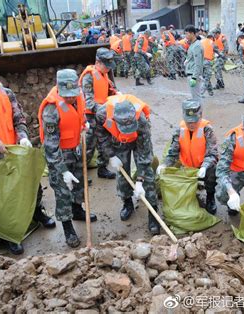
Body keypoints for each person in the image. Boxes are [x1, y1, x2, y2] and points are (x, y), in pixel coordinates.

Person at [0, 49, 55, 255]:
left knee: (30, 184)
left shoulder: (5, 92)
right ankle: (8, 234)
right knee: (2, 197)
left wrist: (23, 136)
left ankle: (37, 213)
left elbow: (19, 119)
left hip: (15, 151)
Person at [38, 69, 98, 248]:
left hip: (76, 149)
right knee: (63, 192)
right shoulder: (51, 109)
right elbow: (50, 147)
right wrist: (62, 170)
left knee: (78, 185)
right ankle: (67, 227)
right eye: (68, 96)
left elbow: (77, 114)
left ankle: (77, 209)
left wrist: (83, 123)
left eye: (74, 95)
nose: (71, 98)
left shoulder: (77, 96)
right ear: (59, 88)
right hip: (59, 156)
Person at [95, 95, 161, 235]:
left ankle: (153, 211)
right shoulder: (102, 114)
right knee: (122, 173)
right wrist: (111, 155)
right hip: (118, 141)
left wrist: (140, 181)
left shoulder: (141, 121)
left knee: (148, 175)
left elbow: (145, 155)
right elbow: (101, 135)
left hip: (138, 141)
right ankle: (127, 203)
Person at [158, 100, 219, 214]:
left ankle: (210, 197)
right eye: (188, 122)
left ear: (200, 117)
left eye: (194, 121)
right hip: (187, 167)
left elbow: (213, 154)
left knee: (213, 171)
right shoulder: (180, 130)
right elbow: (173, 152)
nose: (191, 124)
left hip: (203, 166)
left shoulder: (207, 130)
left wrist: (204, 167)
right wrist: (164, 164)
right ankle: (189, 194)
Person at [79, 48, 118, 180]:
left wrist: (116, 94)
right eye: (106, 65)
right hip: (91, 115)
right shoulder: (89, 76)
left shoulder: (104, 74)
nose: (108, 68)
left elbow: (109, 90)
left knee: (105, 142)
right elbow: (89, 101)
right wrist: (104, 110)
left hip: (102, 113)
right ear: (98, 62)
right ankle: (80, 174)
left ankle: (102, 168)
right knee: (89, 146)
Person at [184, 25, 203, 101]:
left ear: (192, 34)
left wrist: (194, 77)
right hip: (190, 73)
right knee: (195, 97)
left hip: (193, 75)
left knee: (196, 98)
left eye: (187, 34)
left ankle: (199, 113)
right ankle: (198, 112)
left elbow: (198, 63)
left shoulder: (196, 46)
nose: (186, 36)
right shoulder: (192, 44)